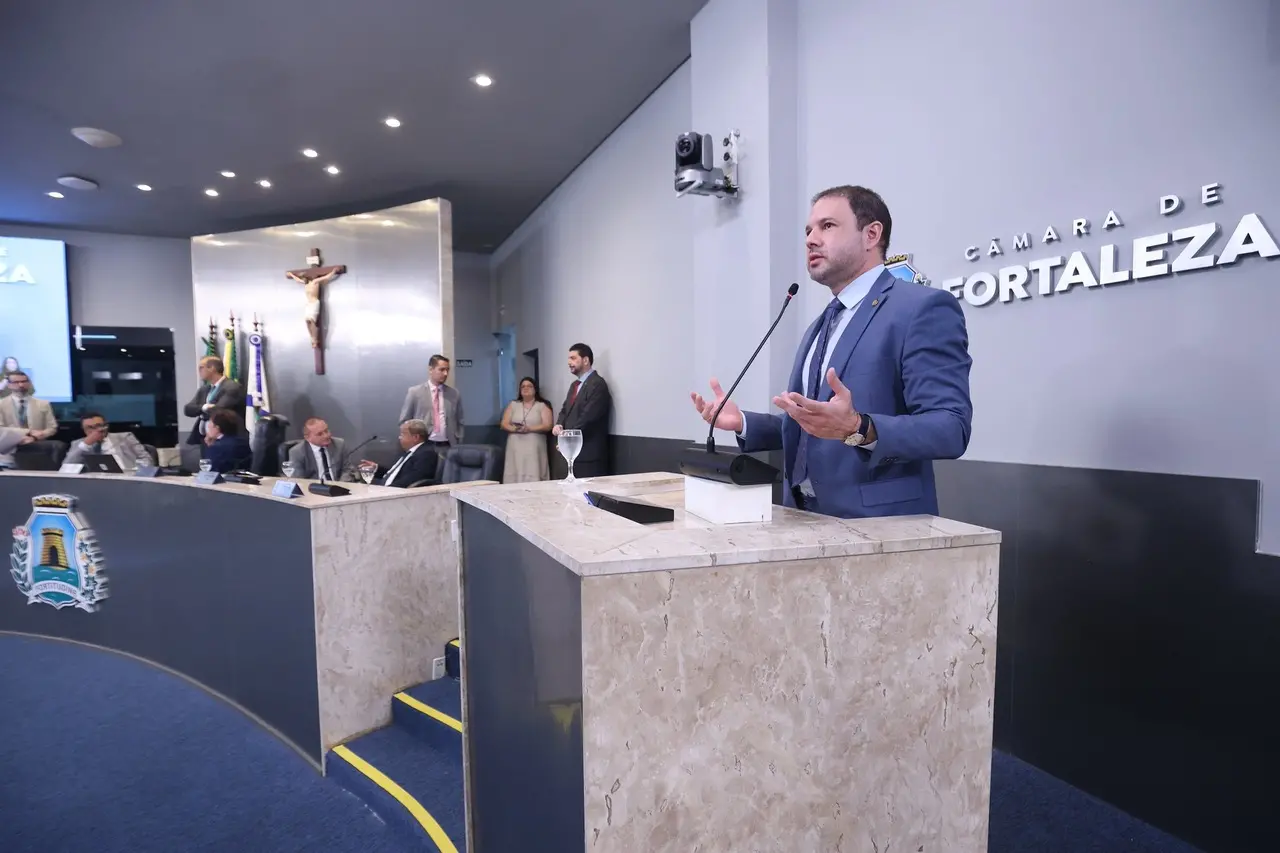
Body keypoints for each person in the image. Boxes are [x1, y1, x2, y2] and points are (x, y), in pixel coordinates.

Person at [690, 185, 973, 518]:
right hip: (800, 517)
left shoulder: (921, 309)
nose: (811, 240)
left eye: (827, 226)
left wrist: (859, 427)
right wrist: (743, 423)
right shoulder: (820, 325)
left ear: (871, 234)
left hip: (879, 525)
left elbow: (950, 428)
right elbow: (817, 424)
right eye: (808, 231)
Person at [552, 343, 613, 478]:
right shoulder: (574, 385)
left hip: (589, 456)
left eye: (573, 358)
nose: (569, 362)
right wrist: (559, 424)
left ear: (585, 360)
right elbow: (565, 410)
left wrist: (567, 439)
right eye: (569, 358)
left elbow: (588, 417)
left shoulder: (597, 384)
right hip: (572, 454)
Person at [398, 355, 464, 453]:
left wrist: (459, 439)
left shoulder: (454, 394)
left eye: (447, 370)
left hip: (448, 446)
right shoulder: (415, 392)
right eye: (441, 370)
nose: (445, 374)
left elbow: (460, 420)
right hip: (423, 445)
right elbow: (404, 421)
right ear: (431, 369)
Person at [182, 356, 245, 445]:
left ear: (212, 368)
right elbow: (187, 409)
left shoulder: (232, 387)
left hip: (225, 438)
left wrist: (201, 409)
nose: (199, 371)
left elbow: (219, 410)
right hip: (204, 437)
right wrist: (204, 407)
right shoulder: (205, 389)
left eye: (201, 367)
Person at [501, 377, 552, 483]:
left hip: (534, 448)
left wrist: (529, 428)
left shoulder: (542, 406)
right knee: (514, 474)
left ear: (535, 389)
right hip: (515, 448)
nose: (525, 388)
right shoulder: (513, 405)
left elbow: (548, 425)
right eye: (523, 386)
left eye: (529, 386)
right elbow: (504, 424)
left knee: (534, 473)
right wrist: (515, 429)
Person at [361, 419, 438, 488]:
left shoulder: (426, 454)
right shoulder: (410, 453)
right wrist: (376, 468)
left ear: (416, 437)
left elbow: (412, 479)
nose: (399, 437)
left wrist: (386, 489)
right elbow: (396, 475)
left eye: (403, 434)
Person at [65, 413, 154, 470]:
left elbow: (147, 459)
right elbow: (67, 467)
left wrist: (135, 471)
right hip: (96, 483)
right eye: (89, 427)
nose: (95, 430)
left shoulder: (125, 437)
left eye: (98, 426)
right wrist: (86, 444)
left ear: (106, 426)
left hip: (128, 478)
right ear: (83, 429)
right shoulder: (78, 444)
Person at [0, 371, 57, 440]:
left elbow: (52, 428)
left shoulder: (43, 404)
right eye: (16, 382)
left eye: (24, 381)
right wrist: (26, 433)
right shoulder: (1, 404)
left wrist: (36, 437)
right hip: (10, 444)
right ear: (9, 385)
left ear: (29, 383)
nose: (21, 385)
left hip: (37, 442)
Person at [202, 409, 252, 473]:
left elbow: (209, 472)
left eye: (209, 425)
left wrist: (209, 447)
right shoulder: (244, 443)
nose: (208, 428)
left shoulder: (216, 447)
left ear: (217, 428)